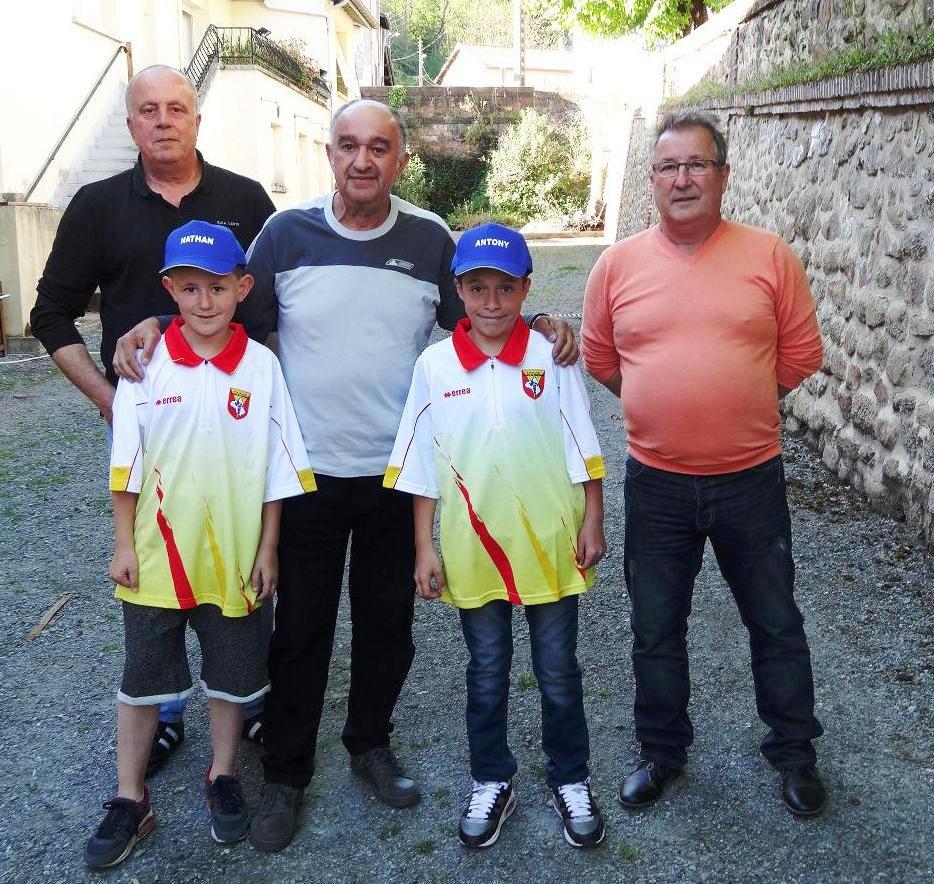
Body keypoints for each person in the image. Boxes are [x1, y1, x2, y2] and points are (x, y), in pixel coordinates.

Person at [114, 98, 580, 851]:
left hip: (399, 475)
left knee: (387, 625)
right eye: (347, 146)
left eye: (379, 148)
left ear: (401, 160)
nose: (362, 160)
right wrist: (155, 327)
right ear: (328, 154)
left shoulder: (431, 238)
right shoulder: (285, 233)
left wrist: (548, 326)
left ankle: (369, 744)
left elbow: (488, 306)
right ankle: (288, 775)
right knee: (300, 630)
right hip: (306, 475)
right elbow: (216, 305)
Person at [30, 65, 277, 772]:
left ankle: (246, 692)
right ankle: (165, 708)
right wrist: (111, 400)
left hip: (233, 419)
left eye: (177, 108)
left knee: (240, 552)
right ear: (132, 123)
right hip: (151, 421)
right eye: (147, 110)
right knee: (154, 563)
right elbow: (50, 313)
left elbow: (261, 308)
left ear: (197, 119)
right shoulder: (98, 205)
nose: (163, 120)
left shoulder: (245, 199)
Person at [581, 110, 827, 817]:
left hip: (750, 478)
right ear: (651, 180)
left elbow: (800, 353)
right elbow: (601, 358)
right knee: (656, 626)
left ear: (723, 176)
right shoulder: (617, 265)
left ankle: (794, 754)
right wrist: (663, 403)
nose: (683, 178)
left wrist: (745, 397)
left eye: (697, 165)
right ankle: (661, 752)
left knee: (775, 621)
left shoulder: (769, 255)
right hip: (656, 482)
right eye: (669, 167)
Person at [84, 222, 315, 870]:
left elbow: (277, 467)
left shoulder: (263, 367)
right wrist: (122, 545)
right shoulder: (143, 364)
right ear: (169, 290)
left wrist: (268, 549)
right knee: (141, 682)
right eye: (190, 288)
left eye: (218, 286)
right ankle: (131, 797)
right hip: (156, 561)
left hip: (235, 559)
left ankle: (222, 775)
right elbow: (125, 467)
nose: (205, 301)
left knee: (232, 680)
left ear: (242, 287)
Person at [384, 223, 607, 849]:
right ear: (457, 290)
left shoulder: (550, 356)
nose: (490, 303)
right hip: (472, 547)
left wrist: (593, 517)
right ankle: (491, 778)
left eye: (504, 288)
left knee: (558, 669)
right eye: (476, 288)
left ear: (525, 288)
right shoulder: (433, 366)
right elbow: (421, 463)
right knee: (486, 670)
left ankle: (570, 777)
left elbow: (581, 442)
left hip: (549, 540)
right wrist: (425, 546)